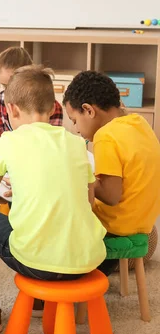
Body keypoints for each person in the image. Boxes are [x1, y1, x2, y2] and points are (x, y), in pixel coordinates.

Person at [0, 65, 107, 333]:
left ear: (11, 109)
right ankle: (39, 304)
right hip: (87, 259)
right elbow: (89, 203)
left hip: (36, 263)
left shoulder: (9, 142)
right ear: (53, 107)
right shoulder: (76, 143)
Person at [63, 70, 160, 275]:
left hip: (116, 227)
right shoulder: (139, 122)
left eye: (74, 120)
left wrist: (82, 176)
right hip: (143, 223)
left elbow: (111, 196)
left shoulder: (106, 136)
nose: (76, 130)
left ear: (88, 110)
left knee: (62, 207)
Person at [0, 47, 64, 171]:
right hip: (8, 149)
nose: (8, 90)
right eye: (4, 85)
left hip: (36, 154)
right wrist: (1, 145)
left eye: (12, 84)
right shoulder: (1, 98)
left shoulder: (48, 104)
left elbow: (52, 141)